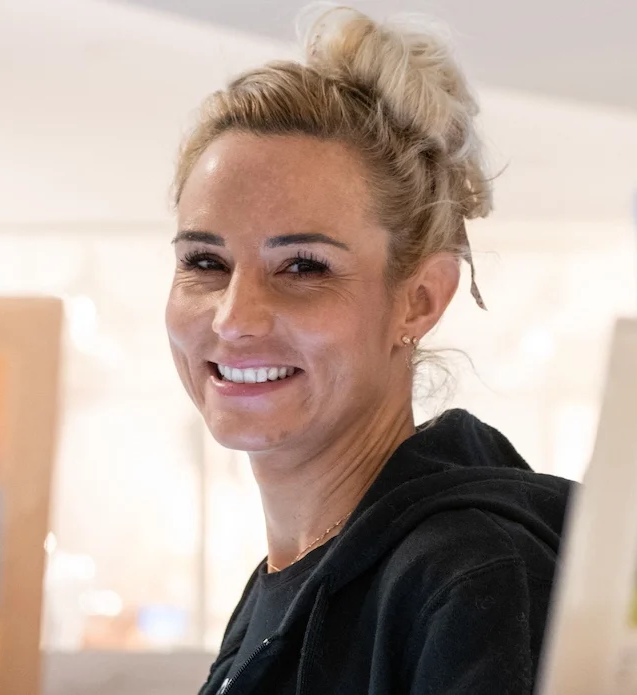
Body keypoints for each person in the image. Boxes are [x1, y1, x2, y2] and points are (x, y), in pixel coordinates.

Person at [164, 6, 574, 694]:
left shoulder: (471, 575)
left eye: (303, 267)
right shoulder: (292, 578)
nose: (234, 319)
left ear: (419, 299)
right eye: (205, 261)